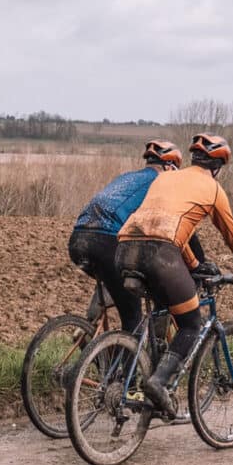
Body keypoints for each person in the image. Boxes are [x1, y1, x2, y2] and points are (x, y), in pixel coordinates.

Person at [116, 133, 233, 413]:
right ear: (218, 167)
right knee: (191, 324)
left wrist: (194, 265)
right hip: (160, 253)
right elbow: (232, 236)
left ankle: (135, 379)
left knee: (158, 313)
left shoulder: (165, 178)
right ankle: (158, 383)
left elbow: (168, 226)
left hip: (124, 245)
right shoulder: (212, 189)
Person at [68, 140, 191, 335]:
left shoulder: (127, 177)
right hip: (107, 241)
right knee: (133, 314)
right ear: (170, 167)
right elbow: (177, 226)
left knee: (114, 279)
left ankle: (91, 331)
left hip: (78, 239)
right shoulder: (161, 183)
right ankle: (128, 363)